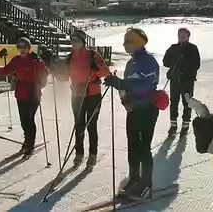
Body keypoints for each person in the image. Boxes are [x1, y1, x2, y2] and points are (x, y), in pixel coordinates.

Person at [104, 27, 160, 200]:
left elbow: (145, 84)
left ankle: (146, 183)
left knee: (143, 148)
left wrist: (120, 83)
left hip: (147, 109)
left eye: (127, 42)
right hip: (134, 109)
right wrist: (119, 86)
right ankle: (134, 178)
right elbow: (129, 83)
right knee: (133, 146)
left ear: (136, 43)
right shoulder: (133, 61)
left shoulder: (148, 61)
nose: (124, 45)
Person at [60, 29, 111, 168]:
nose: (73, 43)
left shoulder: (93, 55)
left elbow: (106, 72)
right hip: (76, 95)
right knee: (78, 125)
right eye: (72, 40)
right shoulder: (69, 58)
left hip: (92, 95)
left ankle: (93, 154)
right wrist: (53, 67)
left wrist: (96, 69)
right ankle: (79, 153)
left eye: (76, 40)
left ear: (83, 41)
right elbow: (63, 76)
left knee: (91, 125)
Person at [0, 37, 49, 156]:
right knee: (24, 120)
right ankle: (27, 141)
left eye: (24, 47)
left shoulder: (35, 60)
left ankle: (30, 143)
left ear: (29, 48)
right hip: (21, 93)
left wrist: (40, 84)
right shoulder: (16, 60)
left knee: (29, 119)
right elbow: (6, 71)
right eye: (20, 47)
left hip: (34, 93)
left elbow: (45, 73)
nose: (22, 49)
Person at [163, 27, 201, 138]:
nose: (181, 37)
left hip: (187, 82)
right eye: (179, 35)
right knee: (173, 103)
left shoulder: (193, 48)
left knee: (187, 103)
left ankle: (185, 126)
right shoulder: (173, 48)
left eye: (183, 35)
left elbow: (196, 65)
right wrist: (174, 60)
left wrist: (184, 65)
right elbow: (165, 62)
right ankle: (173, 126)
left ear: (188, 36)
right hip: (175, 81)